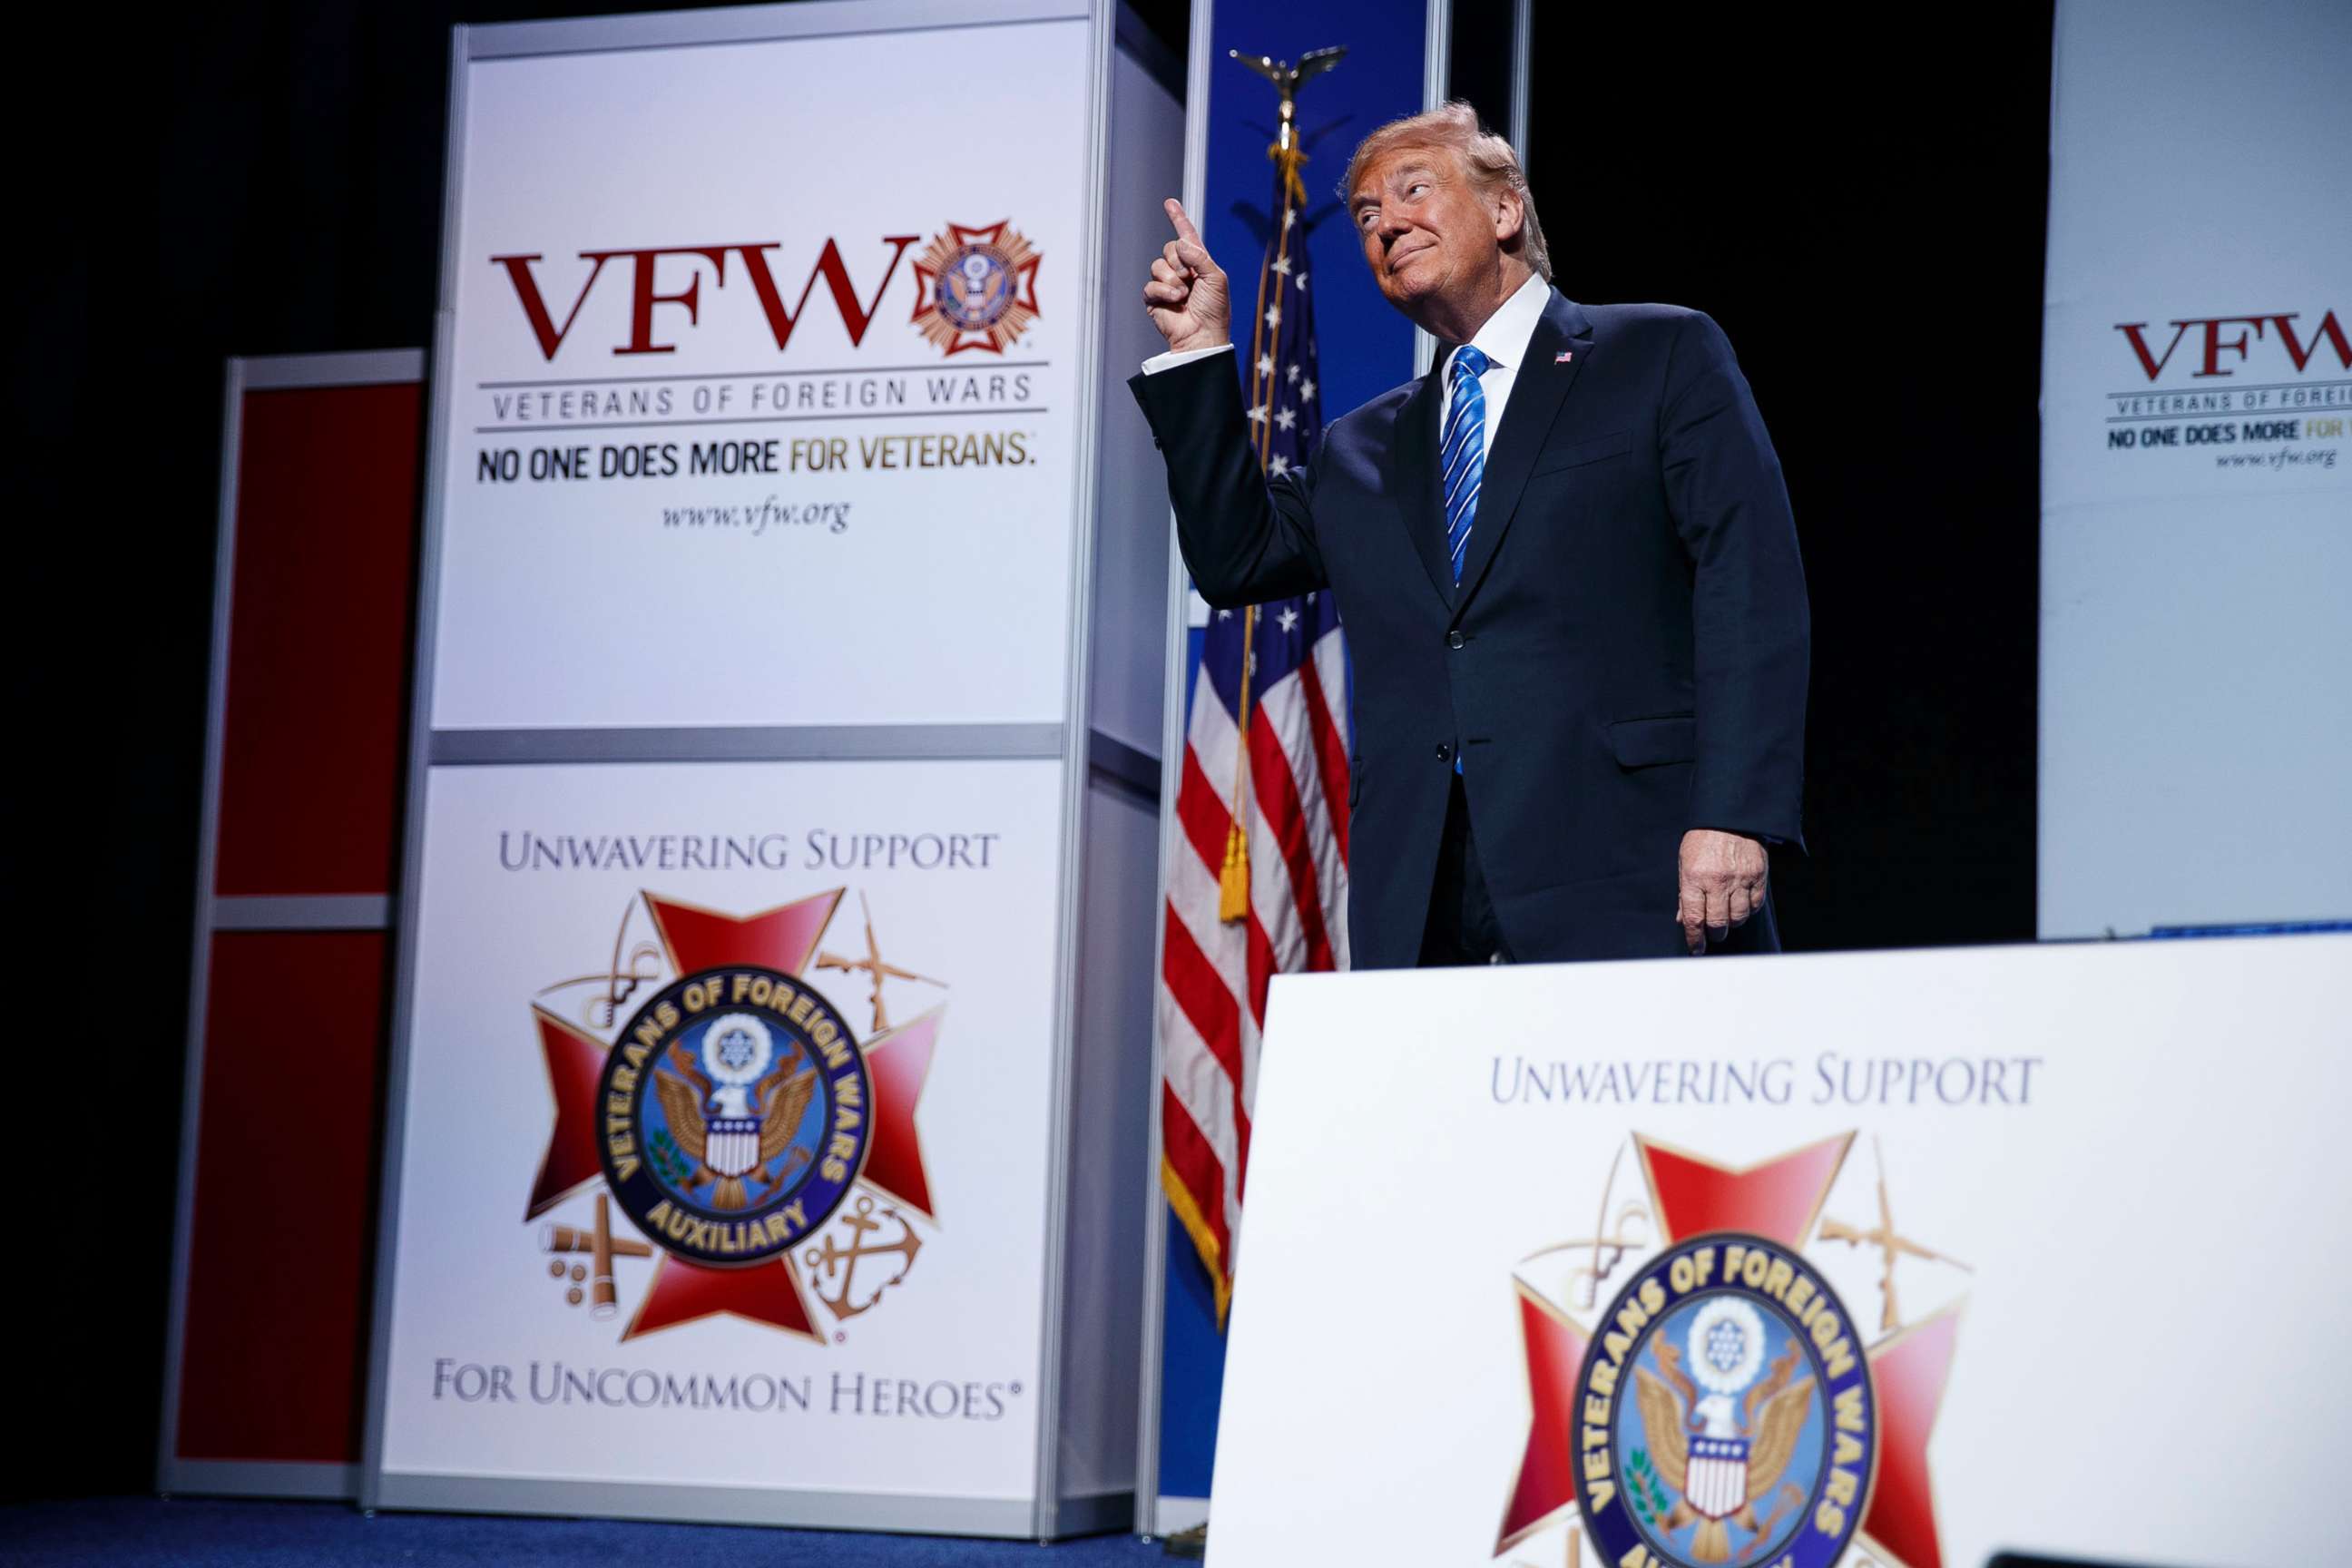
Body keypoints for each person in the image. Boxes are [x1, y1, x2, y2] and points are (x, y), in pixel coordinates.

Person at [1131, 103, 1808, 968]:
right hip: (1422, 892)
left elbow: (1749, 583)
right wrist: (1199, 354)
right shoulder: (1360, 448)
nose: (1386, 224)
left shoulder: (1661, 355)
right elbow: (1235, 559)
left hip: (1634, 865)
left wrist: (1736, 812)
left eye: (1415, 190)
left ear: (1504, 210)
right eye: (1368, 216)